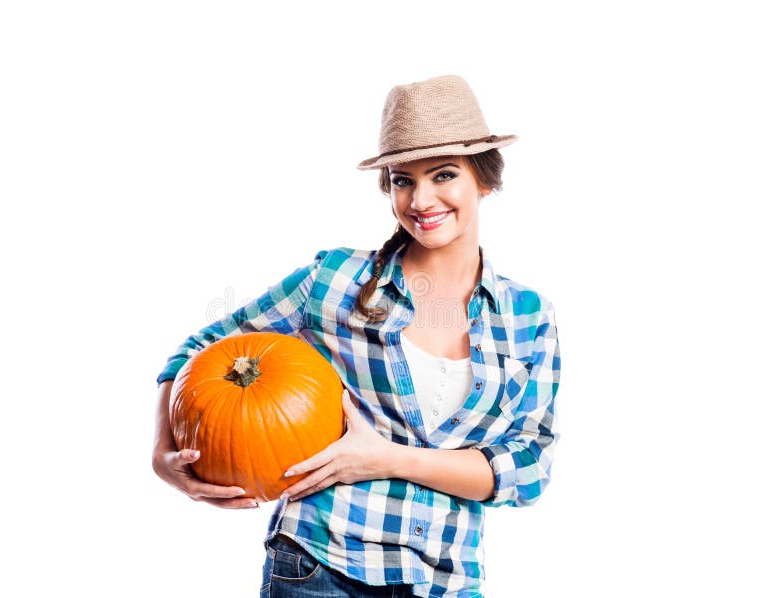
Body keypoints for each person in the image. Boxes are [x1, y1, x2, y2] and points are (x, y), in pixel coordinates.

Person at [152, 74, 561, 597]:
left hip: (445, 579)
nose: (421, 198)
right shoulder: (335, 281)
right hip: (318, 564)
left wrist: (387, 458)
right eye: (402, 180)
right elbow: (198, 351)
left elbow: (527, 468)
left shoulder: (528, 316)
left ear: (484, 180)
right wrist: (163, 454)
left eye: (443, 175)